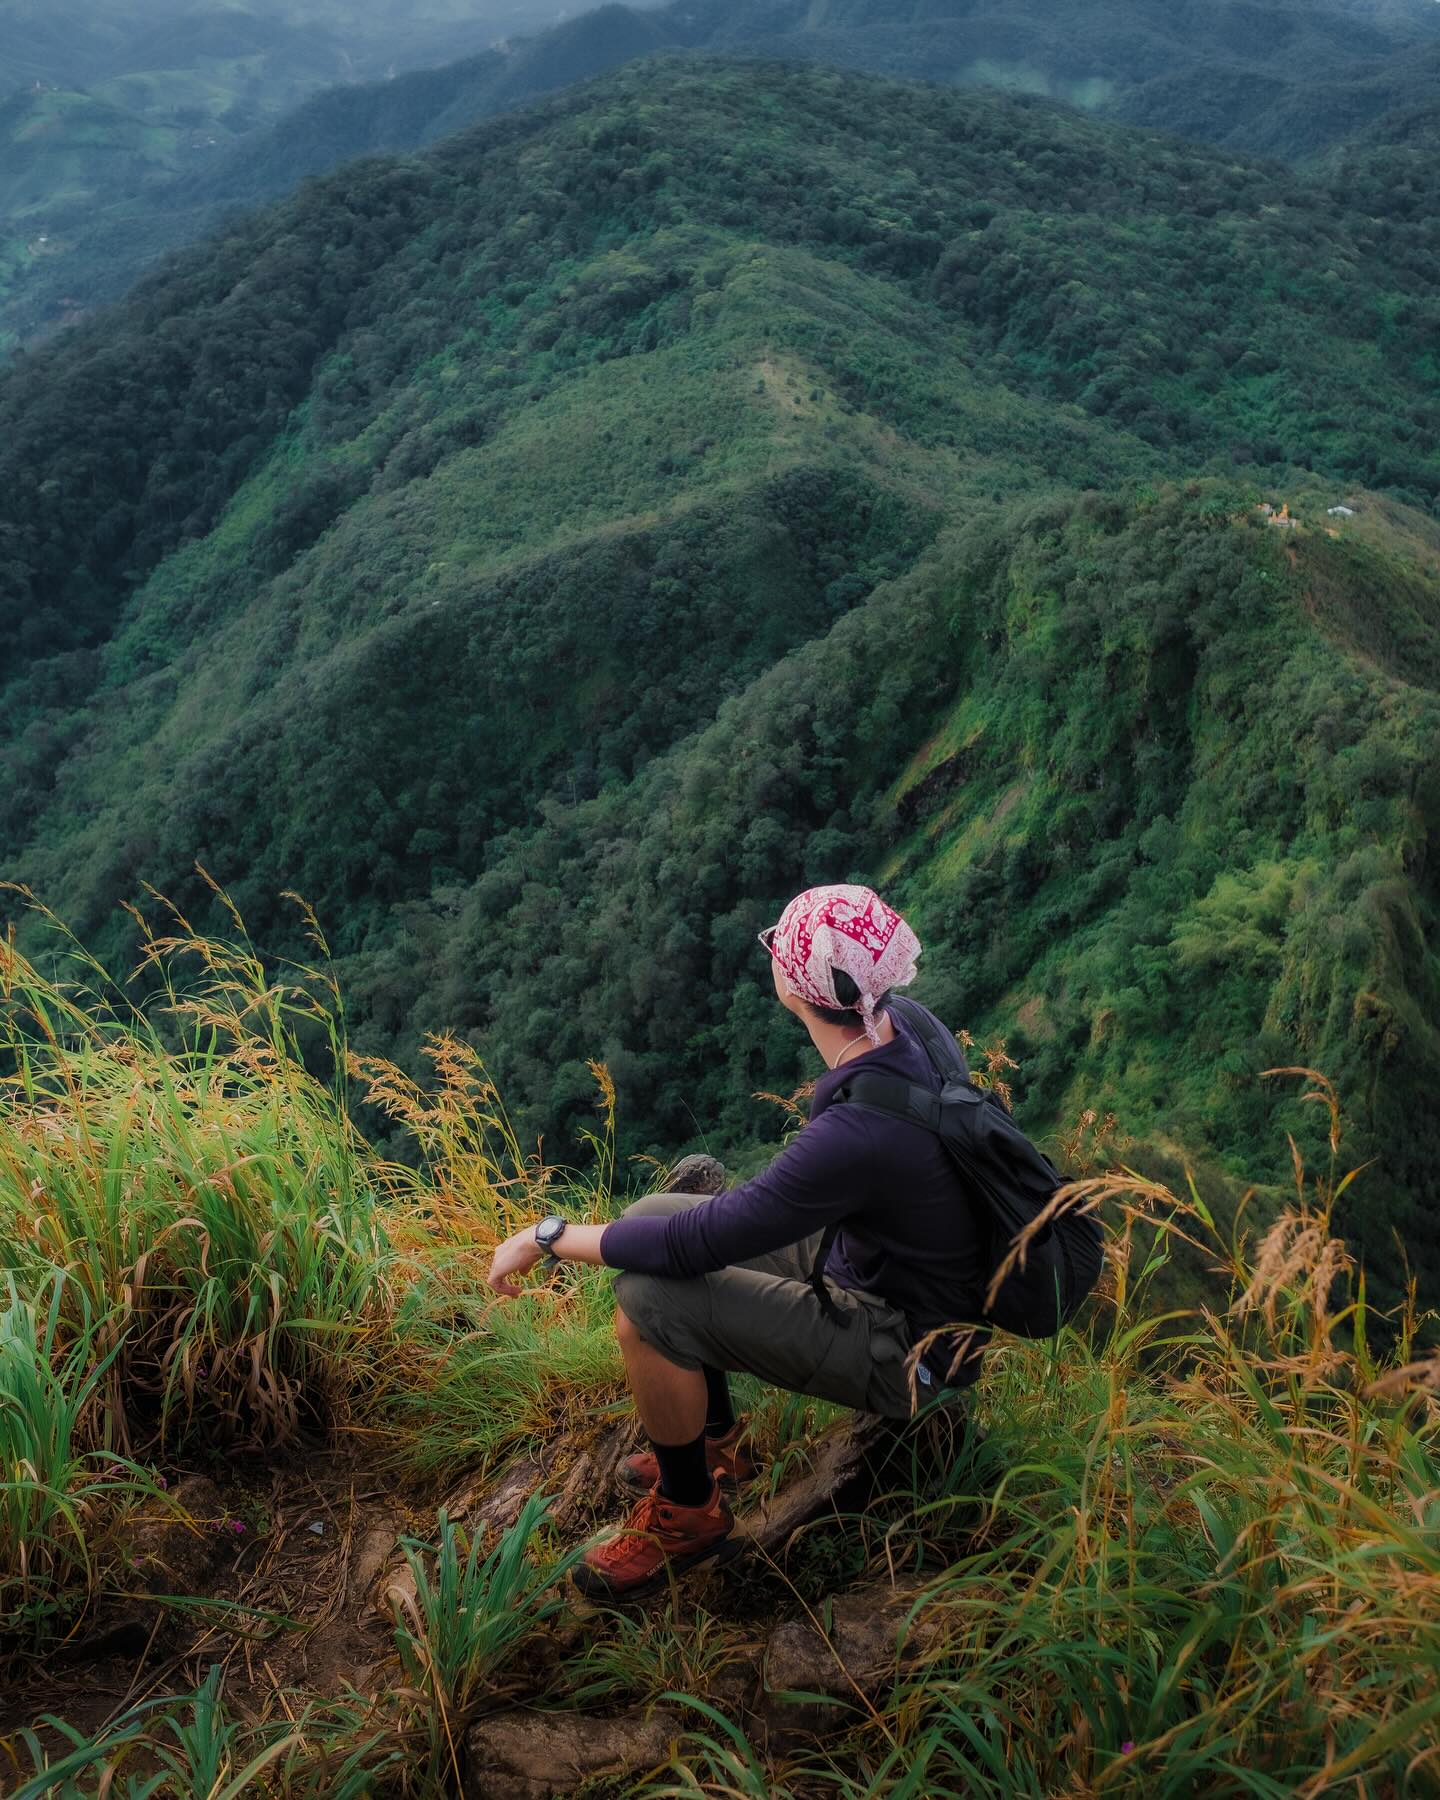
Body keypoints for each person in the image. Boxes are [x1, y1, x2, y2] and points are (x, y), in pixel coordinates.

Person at [485, 883, 989, 1598]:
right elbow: (705, 1226)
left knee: (649, 1295)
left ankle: (689, 1511)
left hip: (905, 1347)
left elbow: (706, 1242)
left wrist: (547, 1235)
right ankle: (714, 1438)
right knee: (654, 1212)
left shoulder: (860, 1134)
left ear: (796, 984)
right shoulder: (905, 1027)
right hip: (890, 1269)